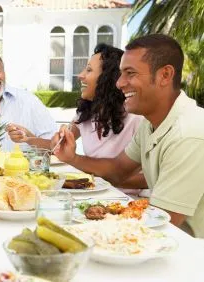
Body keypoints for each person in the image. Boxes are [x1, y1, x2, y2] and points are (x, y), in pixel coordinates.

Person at [52, 34, 204, 238]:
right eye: (121, 73)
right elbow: (117, 170)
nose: (119, 83)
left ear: (165, 75)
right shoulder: (151, 123)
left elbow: (159, 226)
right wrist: (73, 158)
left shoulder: (189, 135)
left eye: (130, 73)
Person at [10, 44, 146, 193]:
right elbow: (58, 146)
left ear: (107, 78)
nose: (80, 75)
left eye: (88, 70)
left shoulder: (136, 117)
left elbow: (149, 179)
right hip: (93, 195)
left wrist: (104, 178)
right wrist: (28, 138)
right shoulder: (85, 114)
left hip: (129, 201)